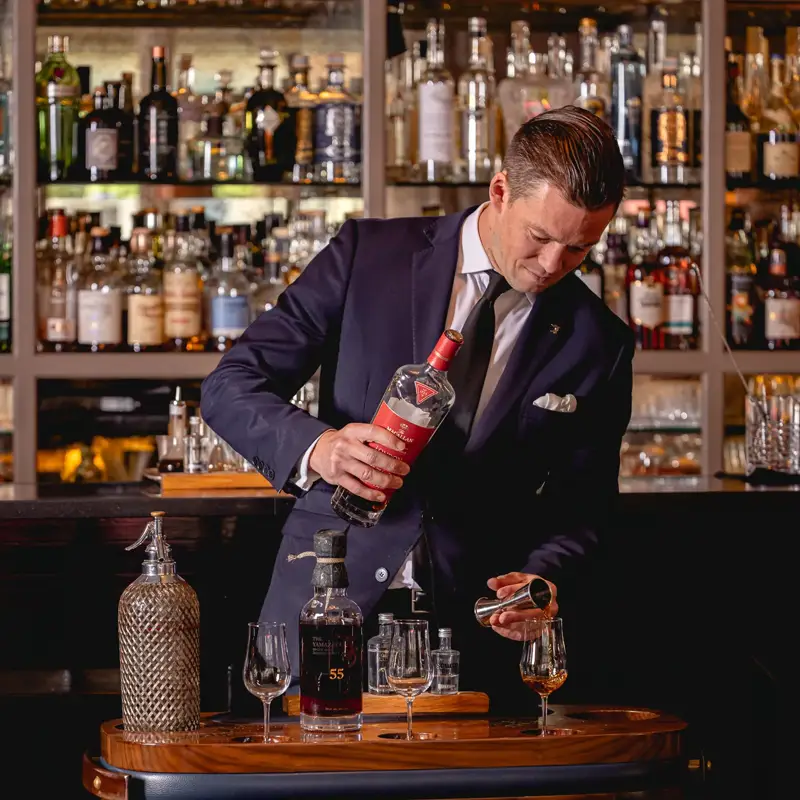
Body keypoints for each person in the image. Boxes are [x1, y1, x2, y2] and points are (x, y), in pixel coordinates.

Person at [201, 106, 633, 703]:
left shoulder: (598, 340)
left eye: (580, 248)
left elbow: (582, 507)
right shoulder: (367, 255)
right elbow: (231, 383)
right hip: (326, 606)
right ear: (501, 190)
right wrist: (320, 448)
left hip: (471, 639)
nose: (553, 266)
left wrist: (542, 580)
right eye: (540, 237)